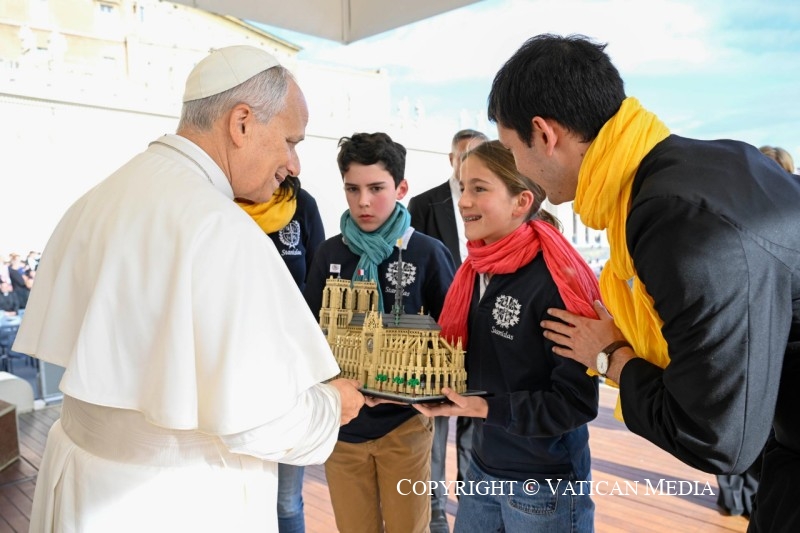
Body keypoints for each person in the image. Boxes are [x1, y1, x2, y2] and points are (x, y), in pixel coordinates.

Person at [12, 45, 365, 533]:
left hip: (83, 487)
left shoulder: (94, 201)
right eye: (289, 140)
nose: (295, 164)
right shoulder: (223, 229)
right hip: (175, 502)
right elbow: (261, 419)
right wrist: (333, 406)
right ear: (241, 123)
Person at [488, 33, 800, 532]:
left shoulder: (671, 218)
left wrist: (610, 355)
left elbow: (717, 436)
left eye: (510, 151)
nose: (520, 172)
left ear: (544, 134)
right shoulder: (717, 162)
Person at [415, 140, 600, 531]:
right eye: (462, 186)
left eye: (479, 188)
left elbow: (574, 404)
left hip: (544, 481)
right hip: (482, 467)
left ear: (521, 202)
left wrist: (483, 408)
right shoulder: (475, 272)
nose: (463, 200)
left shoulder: (555, 281)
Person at [304, 131, 456, 533]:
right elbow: (308, 332)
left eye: (376, 188)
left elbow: (453, 336)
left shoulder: (427, 253)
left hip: (403, 427)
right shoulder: (330, 254)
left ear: (401, 188)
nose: (363, 202)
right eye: (352, 189)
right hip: (343, 430)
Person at [407, 127, 488, 532]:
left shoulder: (494, 202)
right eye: (464, 155)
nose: (470, 160)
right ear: (451, 160)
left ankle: (471, 504)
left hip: (482, 336)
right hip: (438, 337)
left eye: (480, 153)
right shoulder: (424, 204)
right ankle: (436, 508)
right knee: (435, 426)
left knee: (475, 426)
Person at [237, 174, 325, 533]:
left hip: (293, 376)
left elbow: (320, 287)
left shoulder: (301, 206)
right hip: (238, 374)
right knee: (241, 491)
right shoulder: (221, 207)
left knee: (286, 499)